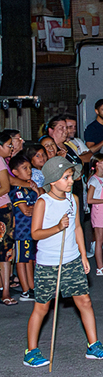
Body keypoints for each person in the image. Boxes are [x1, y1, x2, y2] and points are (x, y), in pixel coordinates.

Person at [23, 157, 103, 368]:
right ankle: (31, 351)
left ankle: (93, 345)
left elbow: (78, 228)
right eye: (66, 177)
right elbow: (35, 234)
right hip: (48, 264)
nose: (71, 180)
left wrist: (83, 255)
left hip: (71, 260)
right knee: (42, 308)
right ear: (53, 181)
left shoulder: (73, 199)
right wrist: (57, 227)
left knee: (85, 302)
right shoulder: (43, 202)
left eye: (71, 176)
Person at [8, 152, 39, 301]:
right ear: (14, 173)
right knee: (21, 260)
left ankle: (32, 287)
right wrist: (37, 209)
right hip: (21, 231)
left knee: (29, 260)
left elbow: (40, 202)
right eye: (25, 168)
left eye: (30, 168)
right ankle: (25, 290)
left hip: (31, 231)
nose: (29, 171)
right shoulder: (17, 190)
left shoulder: (30, 188)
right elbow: (26, 210)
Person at [0, 129, 17, 305]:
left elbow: (5, 187)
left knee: (5, 251)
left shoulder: (0, 161)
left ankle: (6, 291)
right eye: (8, 146)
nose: (10, 148)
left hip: (2, 209)